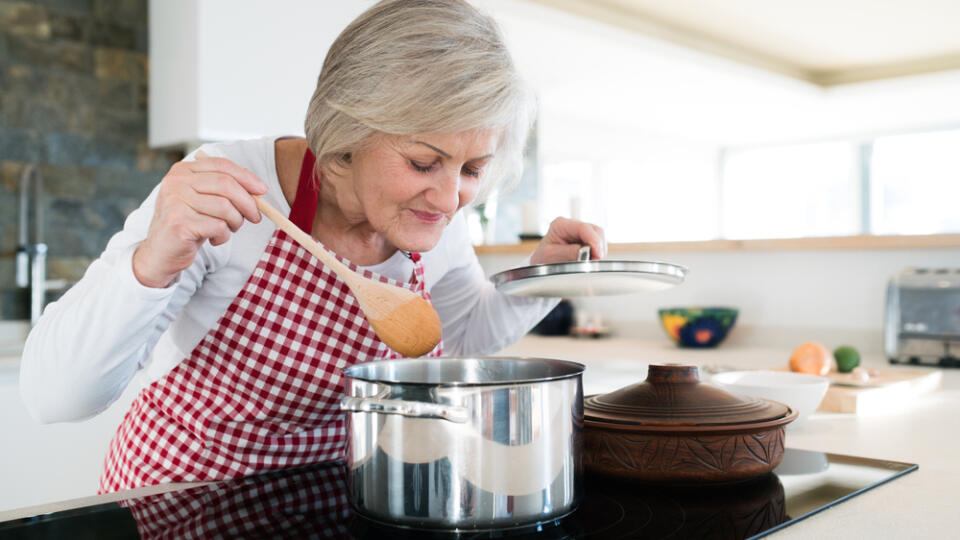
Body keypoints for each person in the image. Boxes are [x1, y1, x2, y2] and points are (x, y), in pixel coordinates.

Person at [19, 0, 606, 493]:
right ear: (347, 132)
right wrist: (152, 262)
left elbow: (459, 333)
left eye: (472, 169)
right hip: (183, 500)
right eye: (424, 162)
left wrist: (542, 278)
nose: (450, 199)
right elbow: (56, 397)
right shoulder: (222, 189)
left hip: (333, 497)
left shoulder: (431, 215)